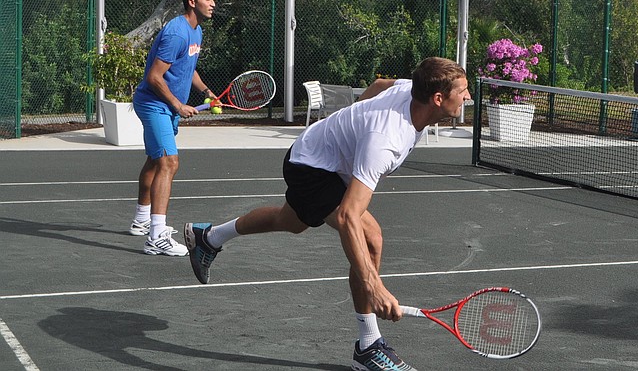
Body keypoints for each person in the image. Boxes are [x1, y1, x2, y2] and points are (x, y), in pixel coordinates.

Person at [184, 57, 470, 371]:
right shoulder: (385, 141)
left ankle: (208, 237)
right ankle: (369, 345)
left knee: (289, 221)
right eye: (463, 91)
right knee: (370, 238)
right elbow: (348, 215)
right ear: (438, 99)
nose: (468, 97)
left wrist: (351, 122)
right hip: (312, 169)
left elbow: (378, 85)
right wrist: (373, 285)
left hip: (318, 155)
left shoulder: (407, 89)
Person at [129, 0, 217, 256]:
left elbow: (187, 68)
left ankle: (142, 219)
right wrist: (178, 105)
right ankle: (157, 236)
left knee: (156, 161)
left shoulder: (196, 32)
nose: (214, 4)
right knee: (170, 162)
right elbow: (153, 77)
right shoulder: (177, 33)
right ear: (192, 2)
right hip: (154, 105)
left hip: (165, 107)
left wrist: (206, 92)